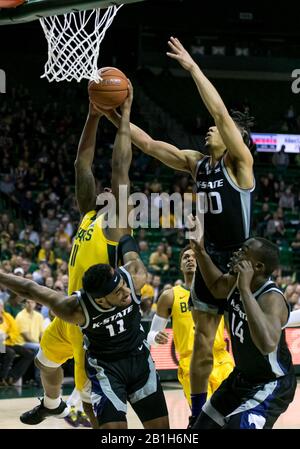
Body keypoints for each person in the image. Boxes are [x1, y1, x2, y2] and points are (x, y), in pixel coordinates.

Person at [103, 36, 255, 423]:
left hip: (240, 260)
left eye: (218, 129)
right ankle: (197, 414)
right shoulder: (197, 163)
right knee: (202, 346)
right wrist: (112, 114)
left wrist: (192, 68)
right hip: (208, 259)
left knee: (245, 348)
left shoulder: (240, 164)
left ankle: (248, 406)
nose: (209, 129)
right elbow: (152, 145)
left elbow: (220, 112)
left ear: (234, 136)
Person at [20, 82, 134, 428]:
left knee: (90, 407)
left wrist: (125, 116)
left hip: (91, 322)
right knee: (45, 362)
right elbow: (81, 164)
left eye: (108, 190)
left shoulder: (116, 223)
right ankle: (52, 404)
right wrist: (92, 115)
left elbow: (120, 167)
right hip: (69, 312)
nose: (102, 188)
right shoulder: (88, 214)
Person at [0, 235, 169, 429]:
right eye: (118, 292)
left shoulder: (134, 278)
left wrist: (121, 236)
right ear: (100, 300)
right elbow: (30, 289)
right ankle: (52, 403)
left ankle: (52, 404)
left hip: (140, 363)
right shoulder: (76, 309)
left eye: (123, 285)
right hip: (107, 372)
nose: (127, 293)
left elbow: (127, 243)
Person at [188, 215, 296, 429]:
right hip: (242, 378)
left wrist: (245, 290)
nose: (236, 254)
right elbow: (216, 286)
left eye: (243, 252)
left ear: (256, 266)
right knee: (201, 428)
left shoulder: (271, 298)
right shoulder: (233, 282)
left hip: (271, 383)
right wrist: (200, 250)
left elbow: (267, 344)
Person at [147, 245, 233, 407]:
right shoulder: (170, 296)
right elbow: (151, 336)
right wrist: (157, 337)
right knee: (204, 417)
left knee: (231, 415)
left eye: (194, 257)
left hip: (222, 359)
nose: (190, 259)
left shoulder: (218, 291)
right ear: (180, 265)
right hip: (191, 362)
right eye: (186, 257)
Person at [0, 299, 35, 386]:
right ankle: (2, 378)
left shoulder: (7, 316)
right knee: (9, 353)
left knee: (29, 354)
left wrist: (8, 336)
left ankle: (12, 377)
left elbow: (15, 331)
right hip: (0, 344)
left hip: (9, 342)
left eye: (0, 305)